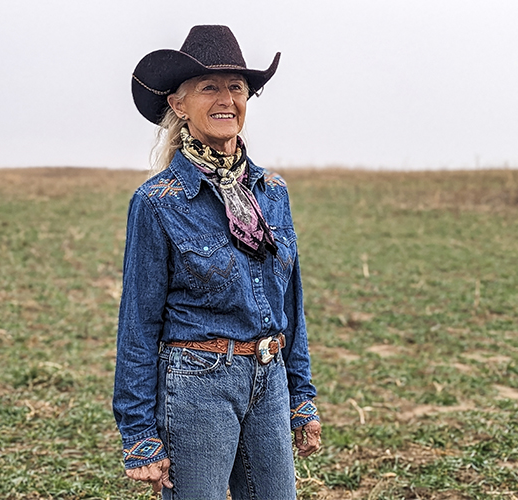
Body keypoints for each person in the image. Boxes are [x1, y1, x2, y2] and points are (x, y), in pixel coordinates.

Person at [112, 25, 321, 499]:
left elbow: (291, 305)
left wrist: (302, 396)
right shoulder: (158, 202)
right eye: (209, 87)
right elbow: (138, 324)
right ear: (179, 104)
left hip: (268, 380)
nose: (226, 98)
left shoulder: (272, 192)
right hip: (196, 387)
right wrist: (139, 436)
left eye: (237, 87)